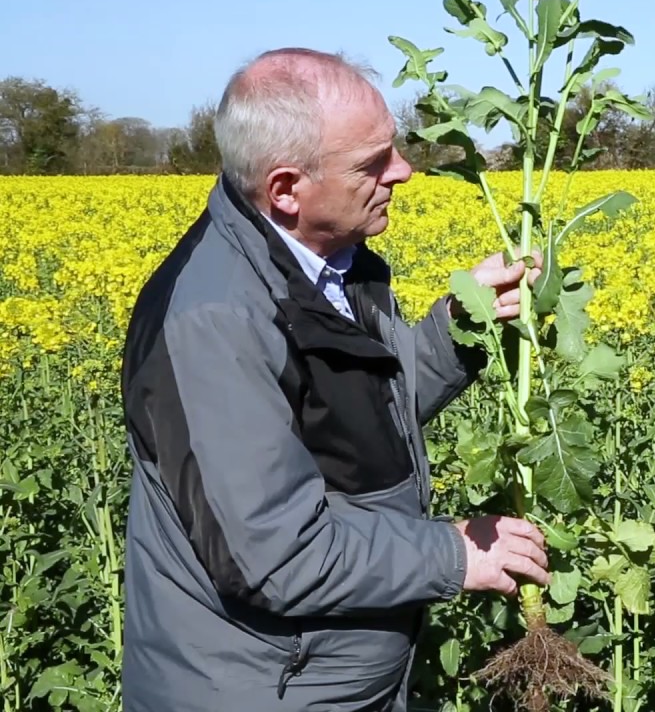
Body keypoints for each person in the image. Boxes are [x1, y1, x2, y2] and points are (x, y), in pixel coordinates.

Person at [119, 48, 549, 712]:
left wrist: (462, 330)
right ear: (286, 189)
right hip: (264, 690)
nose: (404, 172)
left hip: (332, 679)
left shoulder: (334, 267)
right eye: (373, 163)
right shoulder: (216, 322)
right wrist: (454, 555)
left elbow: (366, 422)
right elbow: (274, 557)